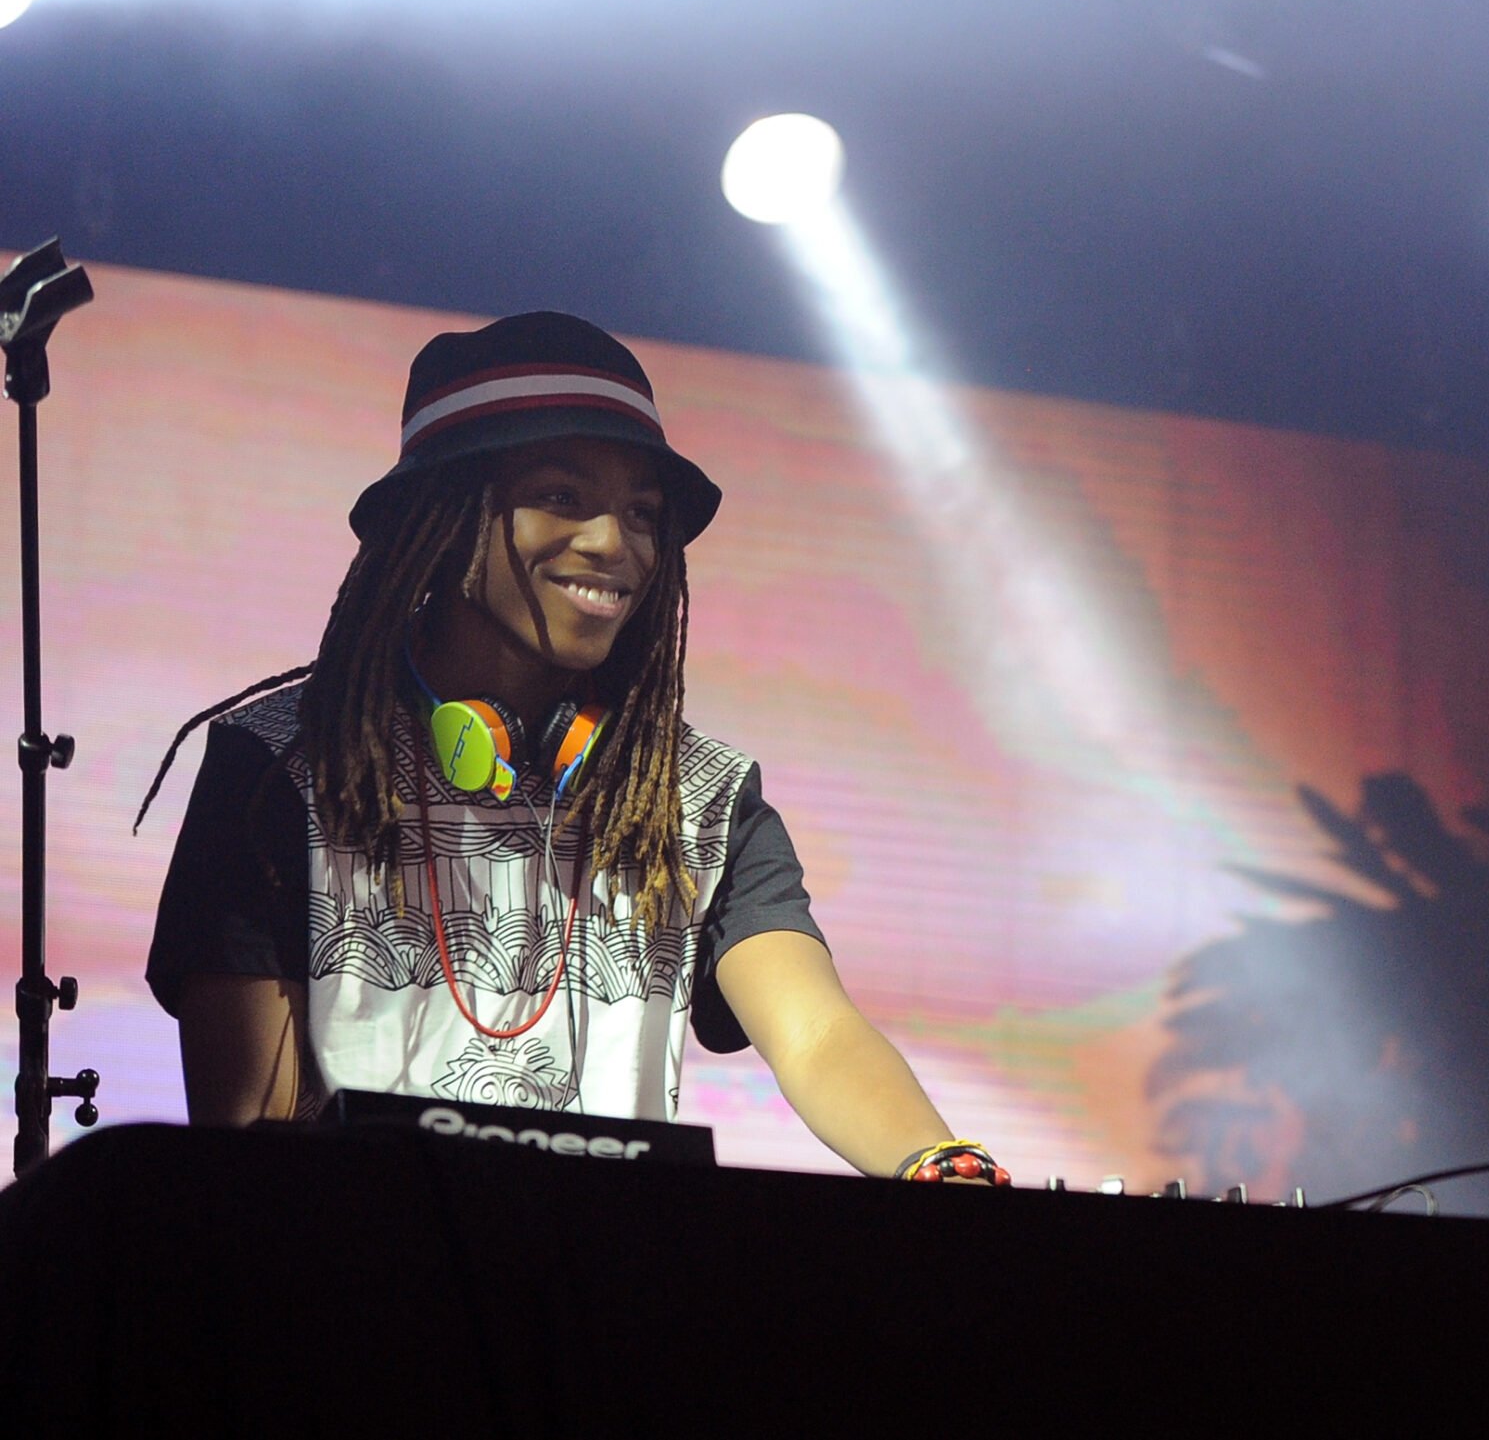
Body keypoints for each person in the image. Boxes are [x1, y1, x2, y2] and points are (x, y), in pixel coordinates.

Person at [140, 311, 1001, 1185]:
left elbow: (816, 1034)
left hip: (608, 1298)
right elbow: (243, 1128)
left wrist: (940, 1162)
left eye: (642, 513)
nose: (614, 542)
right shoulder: (281, 767)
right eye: (560, 496)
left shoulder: (701, 795)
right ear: (445, 518)